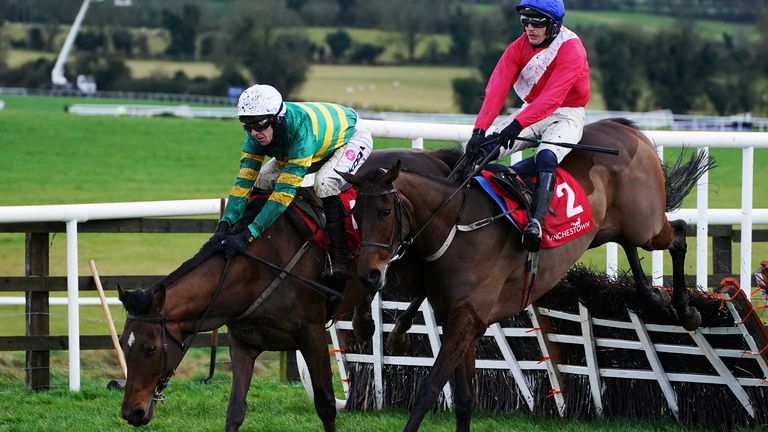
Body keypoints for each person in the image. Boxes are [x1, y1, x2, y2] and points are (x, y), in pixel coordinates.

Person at [214, 84, 372, 291]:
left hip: (350, 137)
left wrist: (248, 235)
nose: (254, 132)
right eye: (247, 125)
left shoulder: (300, 131)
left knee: (325, 183)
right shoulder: (257, 131)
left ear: (276, 118)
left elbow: (283, 194)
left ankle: (340, 259)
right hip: (315, 141)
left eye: (259, 125)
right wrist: (225, 224)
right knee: (261, 180)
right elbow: (243, 183)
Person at [464, 0, 590, 252]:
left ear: (554, 26)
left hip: (566, 113)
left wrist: (518, 124)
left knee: (545, 156)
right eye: (525, 22)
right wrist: (480, 130)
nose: (529, 28)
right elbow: (497, 87)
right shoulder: (518, 46)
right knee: (483, 150)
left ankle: (536, 223)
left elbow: (553, 96)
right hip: (531, 110)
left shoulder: (572, 49)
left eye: (537, 23)